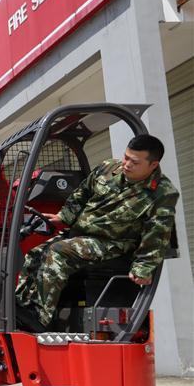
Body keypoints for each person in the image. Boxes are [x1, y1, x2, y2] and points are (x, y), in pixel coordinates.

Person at [15, 134, 179, 332]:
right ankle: (22, 307)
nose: (126, 164)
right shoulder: (108, 168)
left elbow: (158, 233)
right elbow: (82, 193)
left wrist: (143, 267)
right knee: (35, 253)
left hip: (112, 243)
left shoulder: (162, 192)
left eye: (134, 162)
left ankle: (39, 317)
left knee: (57, 253)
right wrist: (63, 216)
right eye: (126, 157)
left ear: (153, 165)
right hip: (81, 234)